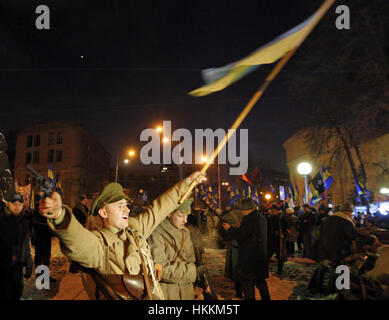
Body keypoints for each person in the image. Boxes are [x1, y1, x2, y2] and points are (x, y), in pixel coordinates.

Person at [39, 171, 205, 300]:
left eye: (126, 205)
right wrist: (60, 216)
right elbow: (78, 241)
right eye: (119, 206)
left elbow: (161, 207)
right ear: (103, 213)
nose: (127, 209)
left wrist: (188, 183)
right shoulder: (99, 242)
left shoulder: (135, 228)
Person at [147, 198, 198, 300]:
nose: (185, 220)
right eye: (180, 216)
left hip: (187, 291)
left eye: (187, 215)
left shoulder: (185, 232)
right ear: (169, 214)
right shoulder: (156, 232)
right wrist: (193, 271)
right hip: (168, 292)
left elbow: (191, 260)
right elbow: (160, 270)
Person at [222, 198, 270, 300]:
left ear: (249, 209)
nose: (241, 212)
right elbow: (250, 233)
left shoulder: (249, 220)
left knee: (248, 285)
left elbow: (241, 236)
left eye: (243, 210)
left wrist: (229, 228)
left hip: (250, 259)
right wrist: (238, 227)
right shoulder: (260, 217)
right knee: (261, 283)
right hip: (260, 257)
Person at [0, 193, 33, 300]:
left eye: (20, 204)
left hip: (17, 269)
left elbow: (25, 246)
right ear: (8, 204)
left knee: (16, 293)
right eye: (14, 204)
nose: (17, 206)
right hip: (3, 270)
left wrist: (29, 264)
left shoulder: (23, 223)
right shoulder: (2, 220)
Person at [220, 201, 244, 298]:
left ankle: (238, 291)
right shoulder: (245, 216)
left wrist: (226, 238)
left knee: (235, 269)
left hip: (234, 245)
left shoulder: (227, 216)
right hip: (245, 246)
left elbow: (221, 230)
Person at [267, 204, 288, 276]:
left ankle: (280, 271)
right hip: (272, 239)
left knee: (280, 256)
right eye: (271, 210)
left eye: (273, 210)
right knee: (268, 254)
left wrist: (283, 234)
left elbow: (287, 228)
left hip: (279, 240)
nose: (272, 212)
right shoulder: (270, 218)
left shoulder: (282, 218)